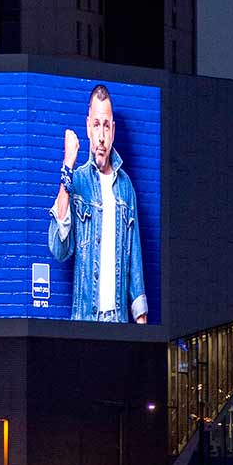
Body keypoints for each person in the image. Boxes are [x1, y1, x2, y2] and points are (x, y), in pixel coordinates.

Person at [47, 84, 149, 324]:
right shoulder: (77, 180)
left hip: (118, 323)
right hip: (84, 321)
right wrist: (67, 166)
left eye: (106, 126)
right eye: (96, 125)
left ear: (112, 130)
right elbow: (58, 249)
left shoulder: (126, 188)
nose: (101, 137)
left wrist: (142, 326)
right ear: (88, 127)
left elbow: (135, 262)